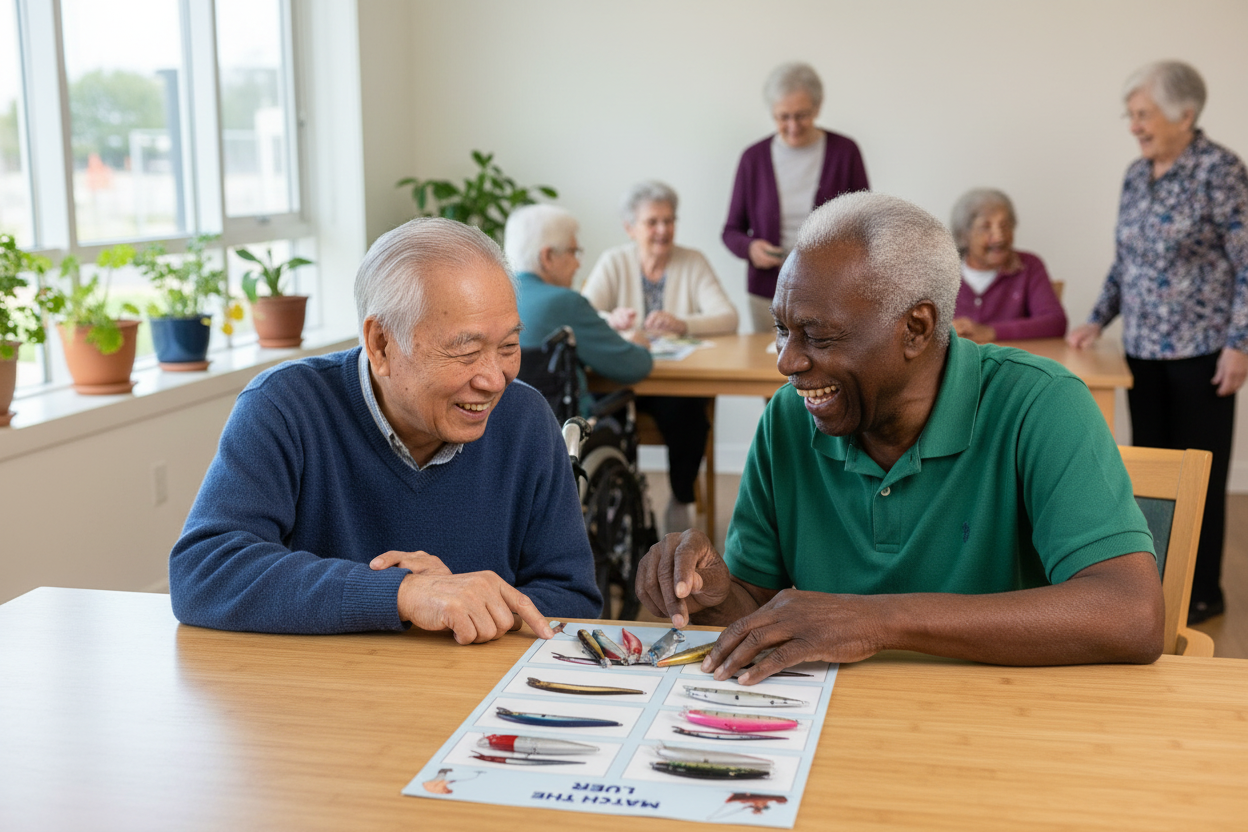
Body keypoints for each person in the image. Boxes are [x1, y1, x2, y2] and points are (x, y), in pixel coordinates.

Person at [637, 192, 1164, 682]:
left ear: (916, 328)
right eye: (782, 329)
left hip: (1006, 724)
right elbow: (756, 606)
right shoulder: (787, 420)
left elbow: (1131, 613)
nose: (787, 362)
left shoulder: (1040, 403)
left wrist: (876, 621)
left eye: (818, 335)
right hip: (827, 731)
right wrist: (716, 595)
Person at [169, 218, 601, 641]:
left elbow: (572, 596)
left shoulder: (525, 417)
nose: (494, 379)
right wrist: (404, 594)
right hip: (325, 697)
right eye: (466, 351)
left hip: (475, 697)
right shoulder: (284, 405)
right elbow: (205, 571)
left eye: (508, 346)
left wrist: (465, 605)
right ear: (380, 344)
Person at [1068, 60, 1248, 625]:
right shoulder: (1135, 173)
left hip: (1203, 354)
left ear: (1184, 115)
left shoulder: (1221, 172)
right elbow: (1127, 262)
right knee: (1151, 474)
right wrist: (1097, 319)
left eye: (1143, 115)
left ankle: (1200, 594)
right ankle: (1156, 588)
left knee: (1201, 472)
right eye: (1133, 115)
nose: (1134, 126)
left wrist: (1240, 343)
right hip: (1142, 351)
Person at [583, 181, 738, 532]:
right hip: (625, 375)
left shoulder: (692, 261)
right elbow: (585, 311)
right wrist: (613, 320)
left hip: (672, 380)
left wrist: (682, 322)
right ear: (630, 228)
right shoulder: (614, 261)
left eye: (669, 220)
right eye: (652, 222)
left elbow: (728, 317)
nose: (663, 230)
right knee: (604, 411)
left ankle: (682, 499)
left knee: (687, 413)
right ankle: (624, 504)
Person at [722, 61, 869, 334]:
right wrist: (751, 248)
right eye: (782, 117)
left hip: (831, 291)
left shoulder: (845, 152)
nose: (792, 126)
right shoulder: (753, 159)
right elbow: (731, 230)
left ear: (818, 107)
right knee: (768, 368)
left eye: (801, 115)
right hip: (768, 292)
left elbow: (865, 224)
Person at [506, 204, 653, 416]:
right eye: (573, 252)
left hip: (502, 436)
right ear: (547, 257)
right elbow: (633, 367)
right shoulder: (565, 302)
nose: (577, 264)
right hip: (562, 435)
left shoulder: (488, 299)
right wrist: (638, 344)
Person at [949, 188, 1067, 343]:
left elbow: (1055, 323)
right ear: (964, 235)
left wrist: (990, 332)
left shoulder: (1028, 266)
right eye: (986, 227)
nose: (999, 237)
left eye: (1005, 226)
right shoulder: (942, 272)